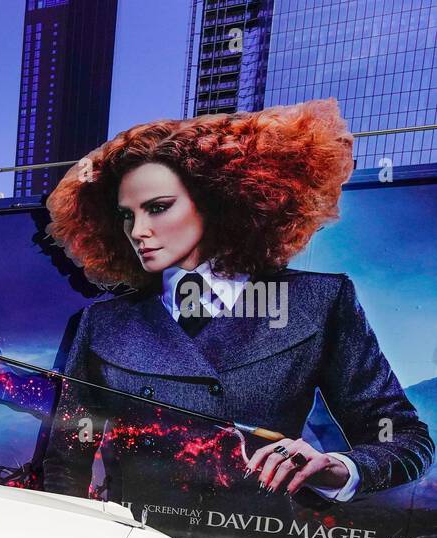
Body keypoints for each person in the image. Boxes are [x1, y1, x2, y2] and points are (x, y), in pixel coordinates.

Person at [41, 99, 432, 508]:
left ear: (216, 201)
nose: (138, 231)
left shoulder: (317, 303)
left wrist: (335, 467)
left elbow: (405, 439)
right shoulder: (103, 323)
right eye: (126, 215)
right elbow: (67, 461)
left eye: (158, 208)